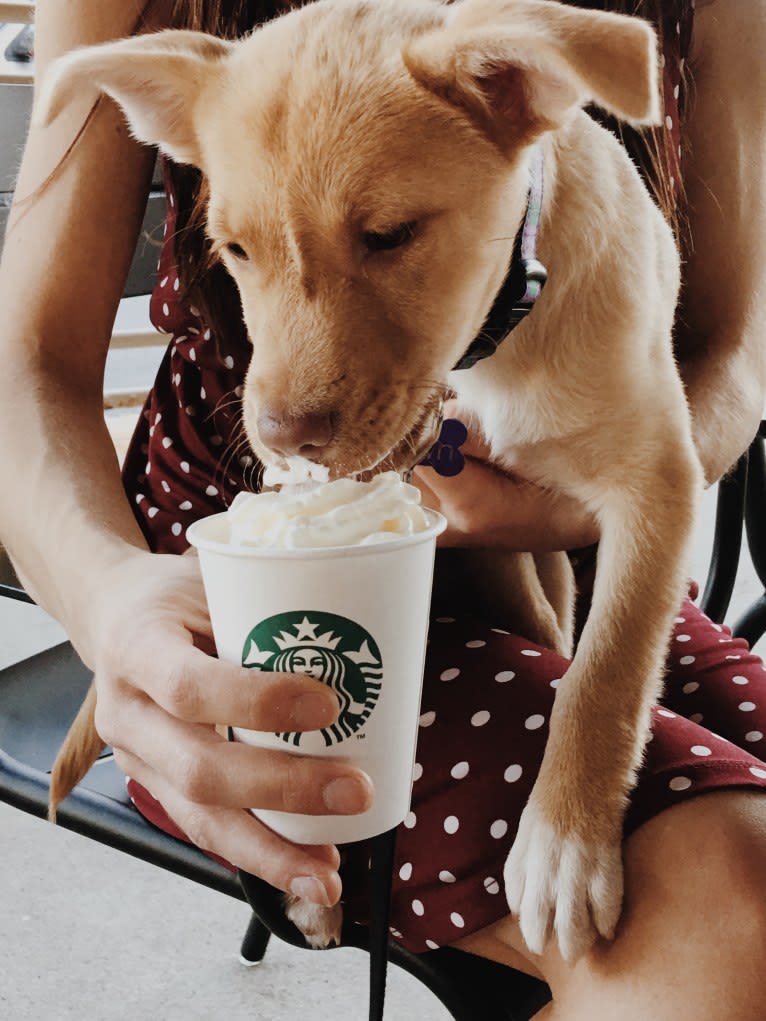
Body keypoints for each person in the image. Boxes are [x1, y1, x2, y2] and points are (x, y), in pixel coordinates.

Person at [1, 0, 765, 1017]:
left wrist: (573, 498)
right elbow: (24, 363)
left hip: (568, 534)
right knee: (723, 903)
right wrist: (108, 600)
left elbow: (731, 353)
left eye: (388, 232)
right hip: (250, 542)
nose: (291, 403)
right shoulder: (274, 407)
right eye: (239, 246)